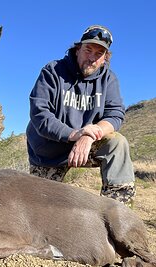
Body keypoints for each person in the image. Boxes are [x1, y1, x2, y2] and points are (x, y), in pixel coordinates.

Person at [26, 25, 135, 208]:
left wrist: (90, 134)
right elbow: (40, 114)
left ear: (105, 58)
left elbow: (115, 114)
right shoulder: (53, 71)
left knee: (117, 143)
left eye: (99, 53)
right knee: (38, 208)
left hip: (85, 146)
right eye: (88, 50)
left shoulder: (108, 79)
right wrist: (76, 134)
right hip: (48, 151)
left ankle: (118, 215)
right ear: (78, 49)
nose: (92, 57)